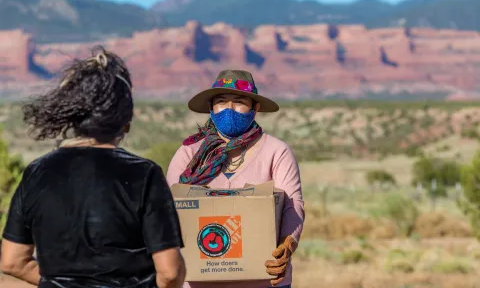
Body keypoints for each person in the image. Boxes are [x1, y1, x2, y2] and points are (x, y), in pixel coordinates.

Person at [1, 46, 186, 288]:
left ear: (72, 115)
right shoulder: (144, 174)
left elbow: (12, 261)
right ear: (125, 121)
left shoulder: (37, 172)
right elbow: (170, 272)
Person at [166, 69, 305, 288]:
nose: (229, 109)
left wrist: (287, 244)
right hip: (199, 282)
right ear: (211, 108)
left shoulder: (276, 151)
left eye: (239, 101)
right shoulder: (189, 154)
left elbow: (292, 204)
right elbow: (167, 207)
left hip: (264, 279)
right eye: (221, 102)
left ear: (255, 108)